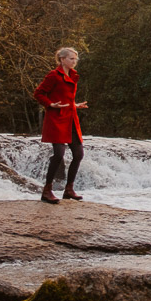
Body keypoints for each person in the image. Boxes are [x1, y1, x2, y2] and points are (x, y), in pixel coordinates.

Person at [33, 46, 89, 204]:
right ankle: (47, 190)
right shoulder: (53, 75)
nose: (74, 61)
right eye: (71, 58)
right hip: (56, 119)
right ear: (62, 59)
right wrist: (51, 104)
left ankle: (69, 190)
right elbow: (38, 93)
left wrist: (74, 105)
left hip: (70, 118)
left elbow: (66, 97)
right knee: (58, 155)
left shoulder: (72, 75)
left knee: (78, 154)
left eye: (75, 59)